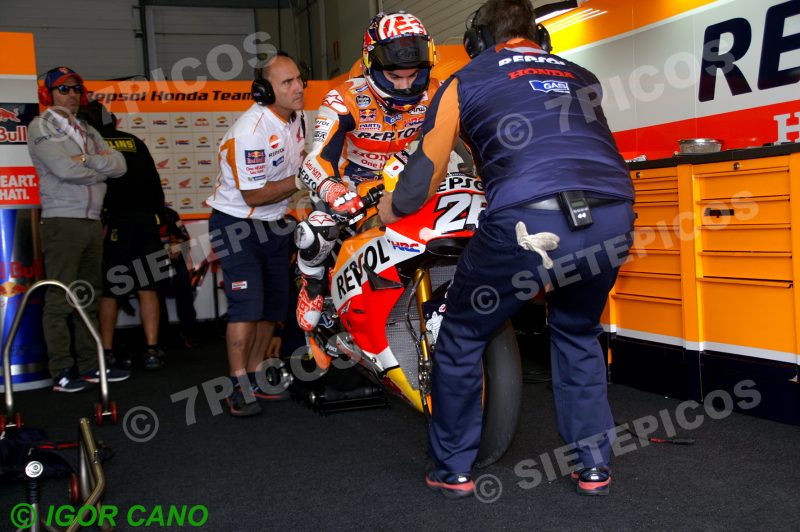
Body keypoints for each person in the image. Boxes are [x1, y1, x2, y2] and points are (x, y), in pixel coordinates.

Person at [378, 0, 636, 498]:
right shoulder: (581, 74)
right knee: (578, 329)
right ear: (540, 38)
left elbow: (418, 184)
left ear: (476, 42)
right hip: (612, 213)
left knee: (462, 333)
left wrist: (384, 212)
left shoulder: (466, 79)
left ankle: (453, 468)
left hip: (529, 217)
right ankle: (594, 467)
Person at [294, 11, 440, 331]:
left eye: (413, 75)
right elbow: (312, 161)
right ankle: (313, 284)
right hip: (353, 190)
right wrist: (334, 190)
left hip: (404, 184)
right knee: (316, 231)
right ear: (372, 66)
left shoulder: (436, 92)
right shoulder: (345, 98)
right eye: (394, 76)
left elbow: (465, 143)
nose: (405, 85)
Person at [206, 52, 306, 417]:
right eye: (287, 82)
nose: (298, 88)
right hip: (237, 224)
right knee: (247, 306)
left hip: (276, 221)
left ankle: (256, 372)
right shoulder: (251, 131)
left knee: (274, 305)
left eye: (298, 79)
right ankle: (236, 384)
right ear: (264, 91)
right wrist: (301, 179)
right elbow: (254, 194)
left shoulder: (297, 118)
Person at [28, 66, 131, 392]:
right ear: (48, 94)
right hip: (62, 221)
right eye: (63, 89)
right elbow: (62, 169)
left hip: (91, 221)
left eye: (76, 89)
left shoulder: (86, 129)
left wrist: (85, 160)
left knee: (88, 298)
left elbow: (120, 166)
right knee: (60, 299)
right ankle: (61, 370)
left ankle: (89, 366)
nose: (71, 94)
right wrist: (95, 165)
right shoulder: (39, 126)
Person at [79, 100, 168, 371]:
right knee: (147, 286)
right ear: (113, 120)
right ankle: (151, 349)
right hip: (146, 224)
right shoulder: (134, 142)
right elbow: (156, 187)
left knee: (111, 289)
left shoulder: (92, 146)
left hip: (115, 224)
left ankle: (105, 352)